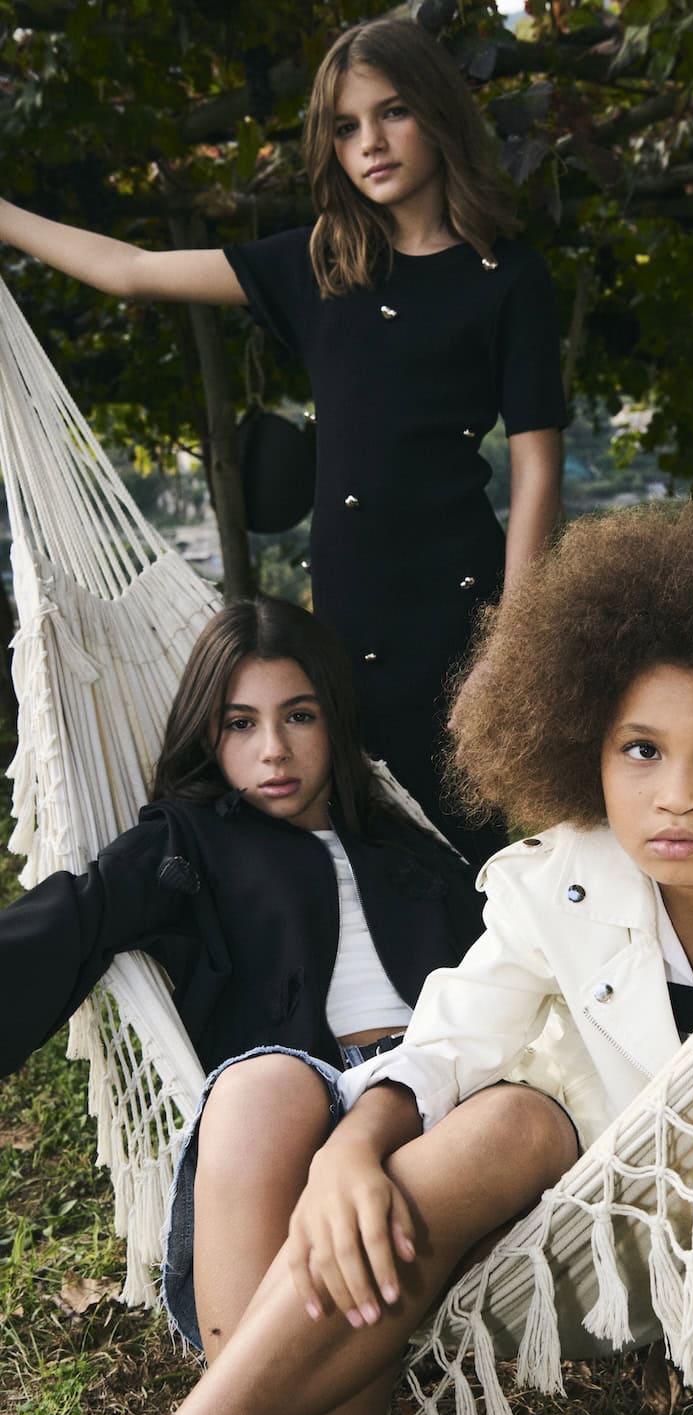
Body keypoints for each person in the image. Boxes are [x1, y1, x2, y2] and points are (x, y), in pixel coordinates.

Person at [82, 498, 693, 1415]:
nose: (679, 795)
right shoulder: (552, 877)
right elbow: (454, 1034)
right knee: (505, 1117)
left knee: (531, 1117)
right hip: (590, 1167)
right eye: (639, 750)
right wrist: (353, 1145)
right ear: (586, 754)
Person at [0, 17, 567, 866]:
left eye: (393, 113)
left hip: (458, 611)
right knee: (355, 855)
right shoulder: (322, 264)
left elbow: (535, 468)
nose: (369, 143)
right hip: (340, 619)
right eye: (345, 127)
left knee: (467, 863)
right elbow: (131, 271)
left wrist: (509, 644)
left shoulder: (510, 278)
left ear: (439, 116)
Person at [0, 594, 485, 1415]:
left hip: (427, 1091)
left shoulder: (407, 847)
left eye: (298, 716)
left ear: (333, 720)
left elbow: (505, 972)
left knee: (376, 1240)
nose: (274, 750)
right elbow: (74, 921)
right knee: (266, 1092)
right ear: (209, 736)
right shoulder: (191, 841)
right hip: (283, 1096)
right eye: (241, 723)